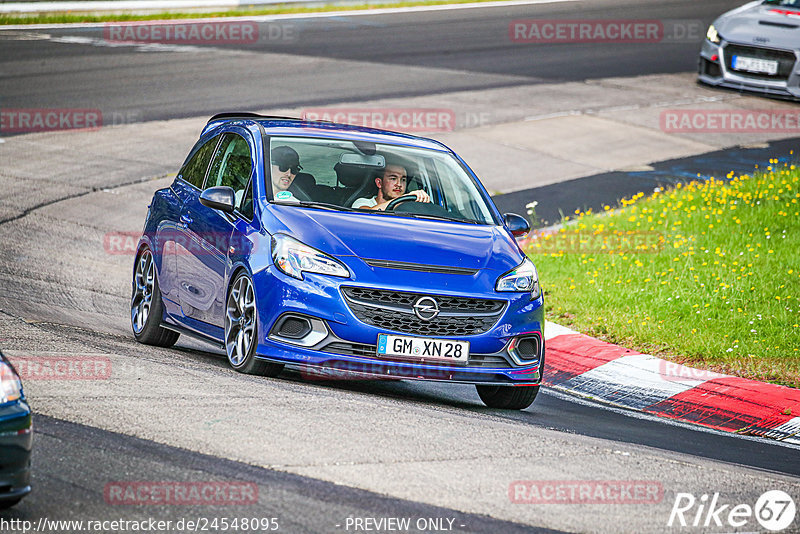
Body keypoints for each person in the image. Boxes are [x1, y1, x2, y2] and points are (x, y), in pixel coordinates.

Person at [352, 163, 430, 210]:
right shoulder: (362, 202)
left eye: (403, 180)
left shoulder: (410, 207)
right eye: (393, 178)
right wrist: (406, 197)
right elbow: (367, 216)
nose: (399, 184)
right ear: (379, 183)